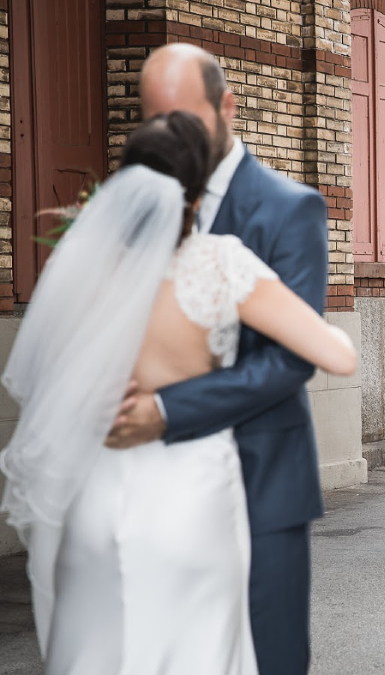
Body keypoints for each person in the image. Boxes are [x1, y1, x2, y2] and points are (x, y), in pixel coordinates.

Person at [0, 112, 356, 674]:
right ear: (197, 190)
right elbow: (339, 355)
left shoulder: (87, 268)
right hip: (190, 500)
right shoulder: (219, 264)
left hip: (95, 499)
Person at [101, 44, 332, 675]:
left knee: (269, 658)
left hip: (261, 480)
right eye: (154, 119)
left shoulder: (291, 208)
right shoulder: (130, 207)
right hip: (150, 485)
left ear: (227, 107)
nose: (169, 135)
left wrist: (165, 411)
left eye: (183, 116)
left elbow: (290, 361)